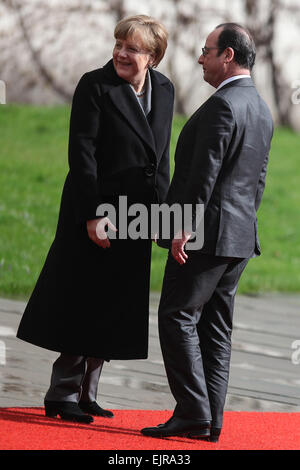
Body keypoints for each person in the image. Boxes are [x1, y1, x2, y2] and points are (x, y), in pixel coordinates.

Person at [17, 15, 174, 424]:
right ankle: (62, 393)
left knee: (114, 304)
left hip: (136, 214)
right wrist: (92, 215)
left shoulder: (167, 90)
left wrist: (165, 218)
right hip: (97, 209)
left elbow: (162, 159)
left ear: (153, 57)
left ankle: (89, 392)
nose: (121, 52)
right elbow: (81, 155)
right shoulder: (95, 85)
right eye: (119, 43)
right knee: (83, 300)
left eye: (133, 48)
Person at [141, 23, 273, 441]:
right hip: (237, 239)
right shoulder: (261, 108)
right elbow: (259, 181)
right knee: (215, 328)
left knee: (176, 317)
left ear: (227, 56)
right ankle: (211, 421)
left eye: (206, 51)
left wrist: (183, 229)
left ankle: (194, 411)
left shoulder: (223, 106)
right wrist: (242, 226)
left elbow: (204, 176)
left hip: (205, 237)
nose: (201, 58)